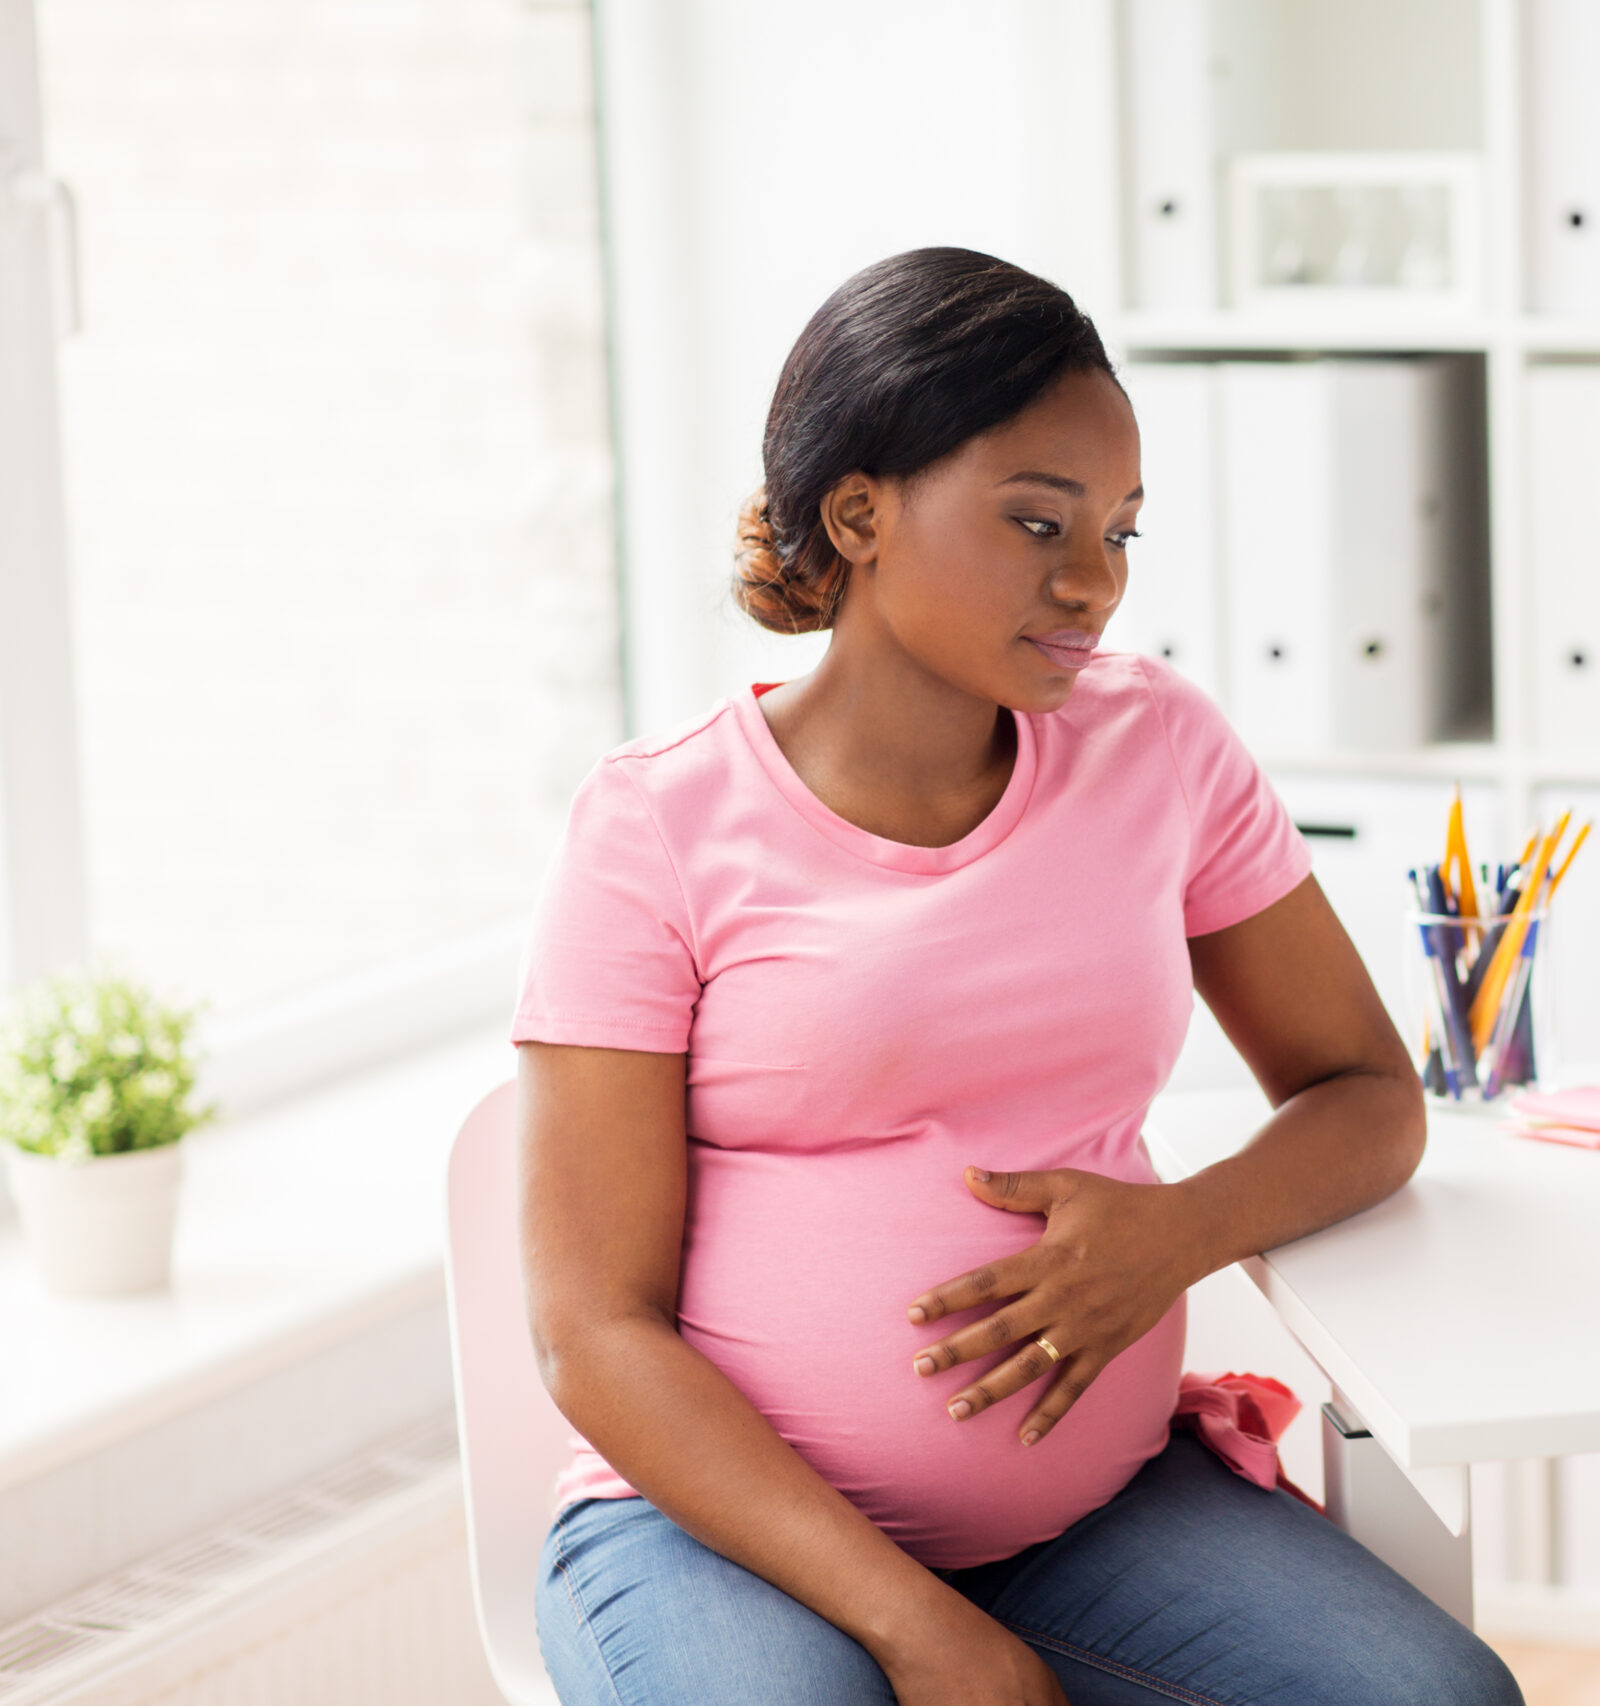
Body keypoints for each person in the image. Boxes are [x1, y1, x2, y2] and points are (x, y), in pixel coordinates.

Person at [512, 248, 1523, 1706]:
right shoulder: (655, 825)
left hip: (1090, 1521)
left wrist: (1174, 1233)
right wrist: (926, 1631)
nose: (1094, 581)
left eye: (1119, 531)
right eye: (1039, 521)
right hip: (718, 1537)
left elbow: (1367, 1096)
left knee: (1440, 1699)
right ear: (860, 510)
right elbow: (591, 1331)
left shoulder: (1154, 747)